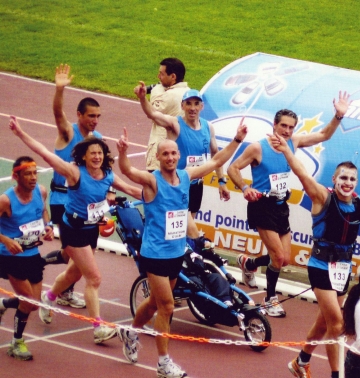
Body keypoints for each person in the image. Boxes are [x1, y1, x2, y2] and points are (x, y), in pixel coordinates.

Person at [267, 133, 360, 378]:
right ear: (334, 180)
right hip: (320, 266)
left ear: (356, 182)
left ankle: (301, 361)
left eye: (352, 179)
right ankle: (337, 374)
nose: (347, 182)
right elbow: (303, 175)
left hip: (342, 269)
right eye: (343, 178)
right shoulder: (322, 198)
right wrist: (286, 151)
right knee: (338, 324)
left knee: (324, 323)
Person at [116, 122, 247, 378]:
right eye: (165, 153)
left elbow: (217, 159)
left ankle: (130, 331)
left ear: (179, 155)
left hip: (176, 253)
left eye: (174, 153)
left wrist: (237, 140)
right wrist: (122, 153)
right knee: (166, 306)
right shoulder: (152, 181)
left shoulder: (186, 176)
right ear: (158, 157)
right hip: (154, 254)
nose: (170, 157)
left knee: (155, 302)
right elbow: (128, 171)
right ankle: (164, 363)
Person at [8, 116, 142, 344]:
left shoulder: (108, 174)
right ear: (84, 156)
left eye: (100, 153)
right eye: (92, 154)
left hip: (91, 230)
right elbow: (44, 153)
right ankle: (98, 328)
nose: (97, 157)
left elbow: (132, 189)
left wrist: (164, 197)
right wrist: (21, 133)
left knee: (74, 273)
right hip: (73, 230)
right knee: (94, 278)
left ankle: (49, 297)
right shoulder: (74, 172)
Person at [227, 92, 351, 317]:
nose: (287, 131)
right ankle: (269, 299)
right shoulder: (257, 148)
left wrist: (338, 116)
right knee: (277, 256)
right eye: (283, 126)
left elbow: (324, 134)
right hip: (261, 205)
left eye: (291, 127)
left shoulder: (293, 143)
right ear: (274, 125)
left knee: (285, 259)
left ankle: (250, 263)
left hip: (280, 206)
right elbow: (232, 168)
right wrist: (246, 188)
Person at [44, 63, 108, 310]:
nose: (95, 120)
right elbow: (58, 113)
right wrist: (59, 89)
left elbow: (102, 171)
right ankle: (62, 291)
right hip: (62, 199)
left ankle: (47, 266)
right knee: (77, 255)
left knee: (75, 254)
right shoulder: (68, 133)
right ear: (79, 115)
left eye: (98, 116)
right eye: (91, 115)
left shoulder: (97, 140)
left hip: (87, 202)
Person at [135, 82, 229, 239]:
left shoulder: (208, 128)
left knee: (187, 224)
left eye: (196, 104)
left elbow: (216, 155)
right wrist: (143, 98)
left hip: (196, 185)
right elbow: (153, 114)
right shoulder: (175, 124)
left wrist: (221, 181)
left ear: (202, 106)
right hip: (176, 185)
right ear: (182, 106)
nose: (192, 108)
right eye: (189, 104)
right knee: (179, 228)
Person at [0, 156, 54, 360]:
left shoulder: (41, 191)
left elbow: (44, 213)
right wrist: (5, 240)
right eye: (28, 174)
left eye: (35, 173)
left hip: (32, 253)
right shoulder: (6, 200)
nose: (33, 178)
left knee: (33, 304)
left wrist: (49, 227)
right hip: (11, 257)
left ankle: (3, 304)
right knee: (29, 301)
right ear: (16, 176)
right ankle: (17, 343)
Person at [144, 57, 190, 172]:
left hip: (162, 156)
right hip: (178, 153)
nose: (158, 77)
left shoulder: (171, 95)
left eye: (162, 74)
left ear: (173, 77)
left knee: (154, 188)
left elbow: (152, 111)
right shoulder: (188, 92)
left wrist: (156, 88)